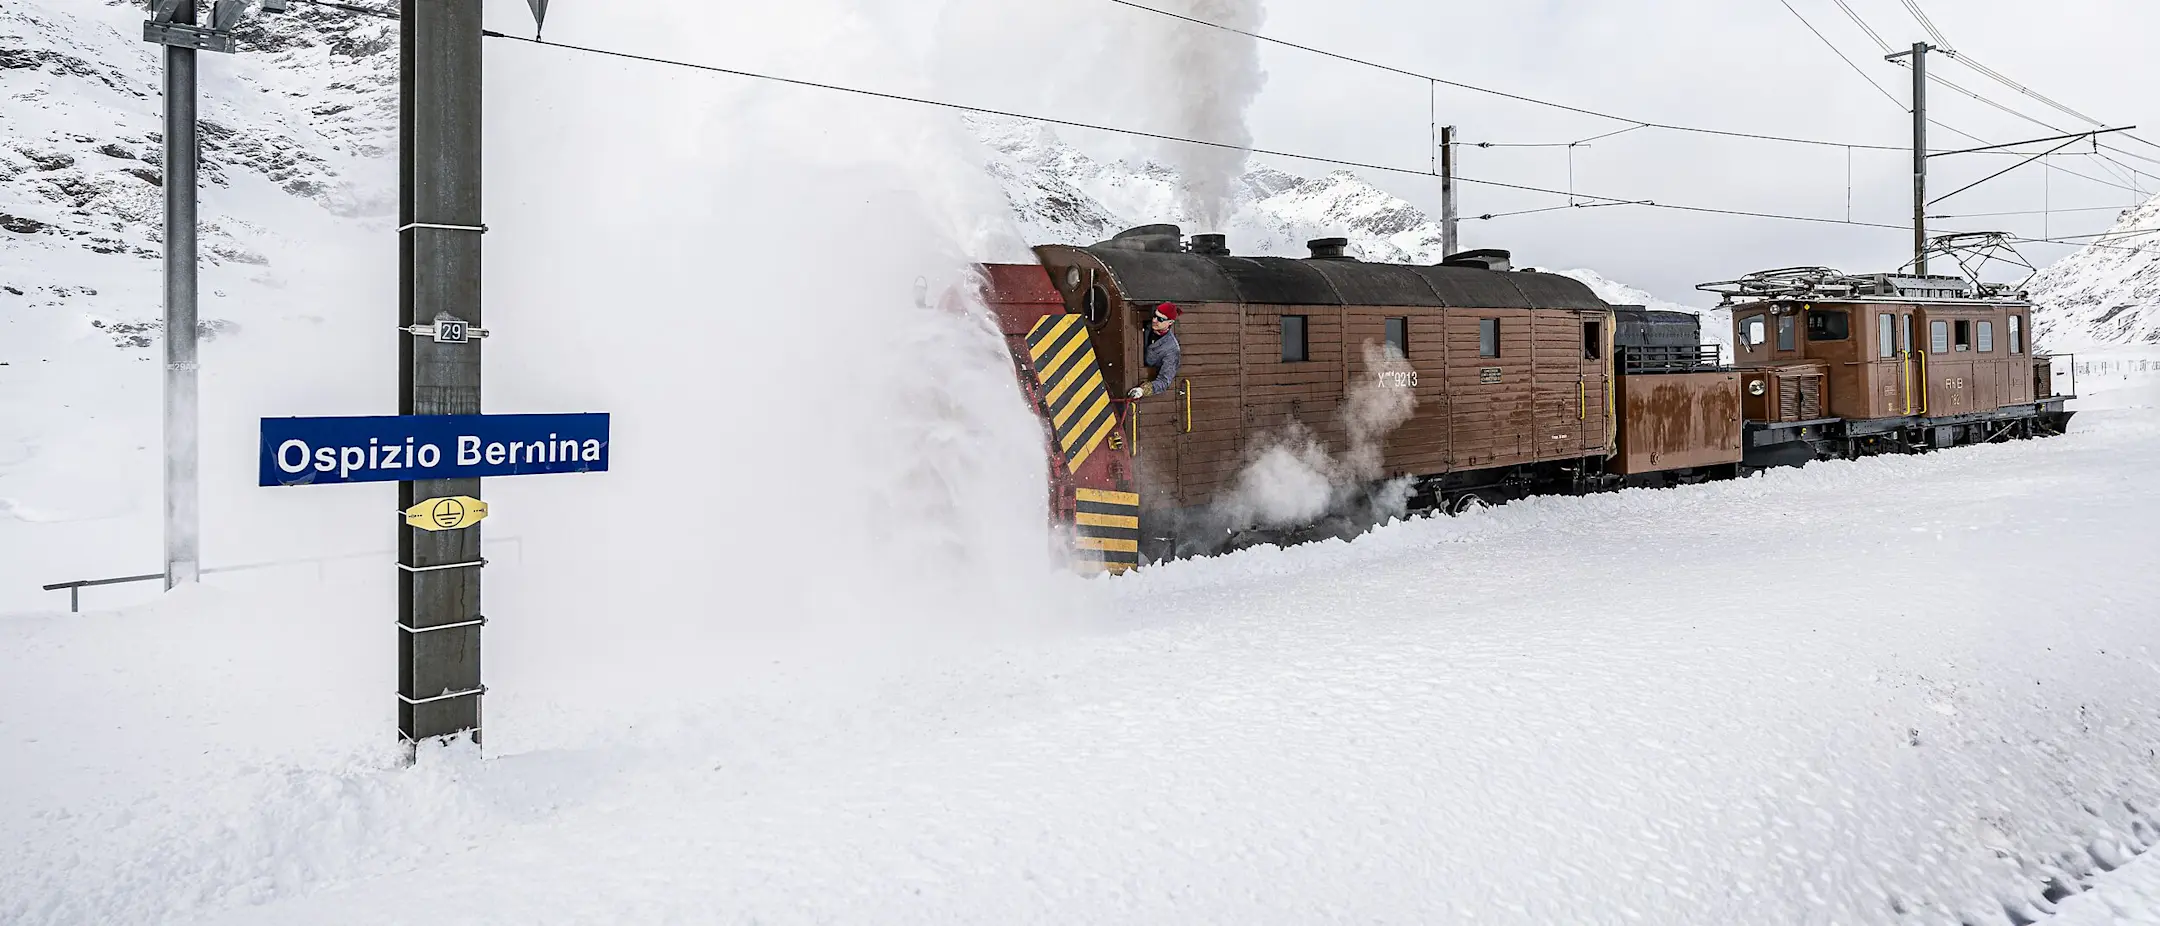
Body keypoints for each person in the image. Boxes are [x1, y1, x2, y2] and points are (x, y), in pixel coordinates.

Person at [1127, 302, 1181, 399]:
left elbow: (1164, 382)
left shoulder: (1171, 349)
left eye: (1160, 319)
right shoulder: (1146, 327)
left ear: (1170, 322)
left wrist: (1143, 390)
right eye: (1155, 316)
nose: (1154, 320)